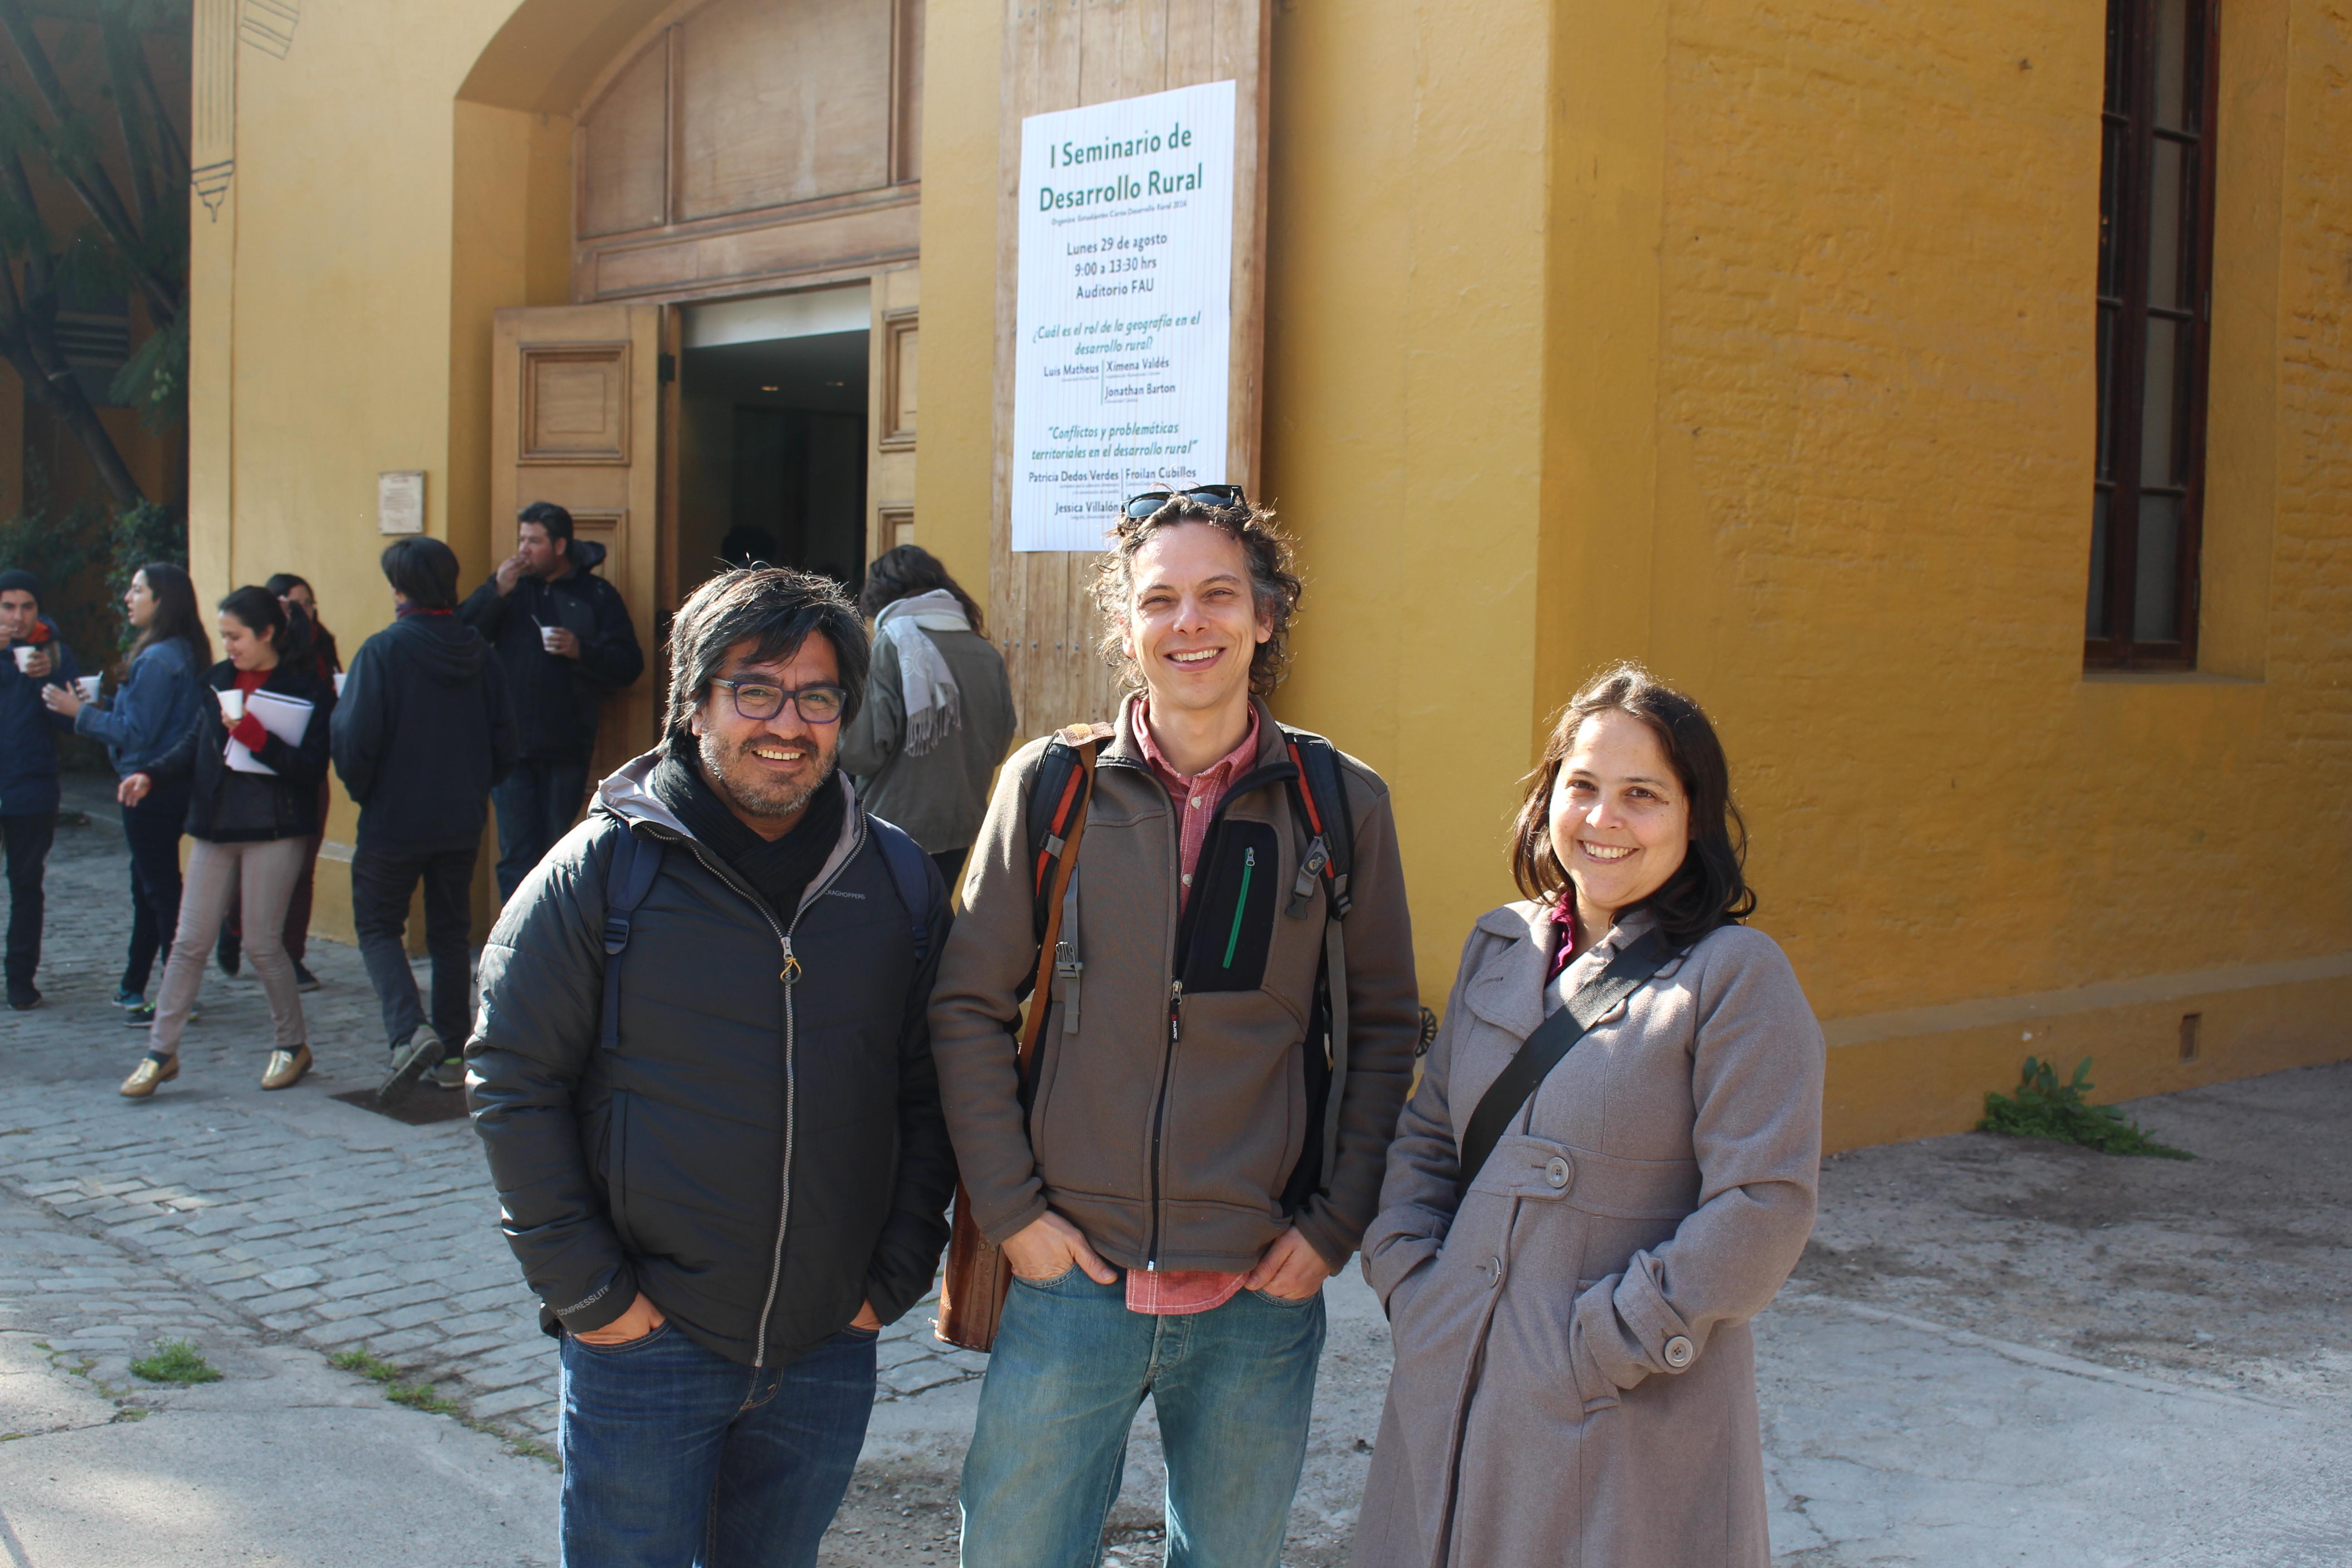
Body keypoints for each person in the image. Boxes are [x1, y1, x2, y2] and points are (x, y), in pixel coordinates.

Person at [928, 490, 1422, 1568]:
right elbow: (965, 1008)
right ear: (1124, 625)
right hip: (1071, 1279)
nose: (1187, 622)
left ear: (1264, 616)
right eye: (1159, 598)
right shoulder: (1047, 789)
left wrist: (1333, 1223)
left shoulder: (1341, 804)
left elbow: (1383, 1027)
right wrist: (1013, 1214)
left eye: (1216, 594)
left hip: (1258, 1285)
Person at [467, 565, 956, 1568]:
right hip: (647, 1347)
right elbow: (513, 1082)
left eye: (817, 696)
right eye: (755, 690)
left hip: (827, 1343)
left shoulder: (898, 878)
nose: (788, 722)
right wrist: (595, 1301)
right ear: (694, 705)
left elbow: (933, 1086)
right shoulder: (601, 873)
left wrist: (891, 1276)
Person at [1352, 664, 1825, 1568]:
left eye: (1642, 794)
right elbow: (1426, 1139)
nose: (1604, 820)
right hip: (1453, 1377)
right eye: (1584, 787)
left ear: (1695, 815)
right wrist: (1415, 1286)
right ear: (1549, 801)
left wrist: (1602, 1344)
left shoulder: (1734, 977)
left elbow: (1765, 1205)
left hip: (1619, 1408)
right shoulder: (1499, 945)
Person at [115, 586, 338, 1098]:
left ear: (267, 633)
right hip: (216, 825)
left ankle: (292, 1044)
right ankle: (159, 1053)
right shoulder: (217, 680)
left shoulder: (306, 688)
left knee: (262, 944)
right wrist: (151, 773)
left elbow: (308, 770)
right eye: (223, 637)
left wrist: (256, 735)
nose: (229, 646)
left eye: (236, 636)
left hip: (274, 828)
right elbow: (195, 744)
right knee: (189, 941)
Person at [332, 538, 516, 1092]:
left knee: (378, 924)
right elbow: (507, 743)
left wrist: (368, 792)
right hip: (460, 818)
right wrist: (473, 786)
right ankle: (455, 1051)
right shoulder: (481, 652)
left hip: (393, 817)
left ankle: (409, 1033)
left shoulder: (382, 652)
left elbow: (353, 740)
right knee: (449, 930)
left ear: (401, 590)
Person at [44, 564, 208, 1023]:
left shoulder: (158, 659)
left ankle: (179, 992)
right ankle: (133, 985)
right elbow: (151, 720)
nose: (128, 598)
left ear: (163, 601)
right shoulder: (179, 651)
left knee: (158, 889)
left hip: (148, 786)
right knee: (148, 885)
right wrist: (102, 705)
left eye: (138, 590)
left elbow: (136, 734)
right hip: (168, 782)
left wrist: (79, 712)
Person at [459, 501, 645, 900]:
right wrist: (495, 592)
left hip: (566, 743)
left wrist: (582, 651)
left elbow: (630, 665)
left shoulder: (595, 594)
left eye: (534, 541)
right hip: (510, 746)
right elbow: (460, 641)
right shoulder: (508, 589)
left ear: (560, 545)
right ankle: (513, 951)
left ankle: (555, 950)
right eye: (521, 539)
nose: (523, 549)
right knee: (515, 854)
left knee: (558, 853)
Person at [839, 544, 1018, 891]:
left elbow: (862, 752)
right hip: (961, 824)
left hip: (890, 828)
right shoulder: (986, 652)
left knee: (888, 934)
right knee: (933, 929)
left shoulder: (891, 645)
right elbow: (997, 748)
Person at [217, 571, 343, 992]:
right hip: (249, 777)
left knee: (303, 864)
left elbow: (327, 699)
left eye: (306, 603)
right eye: (288, 603)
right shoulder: (238, 665)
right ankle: (234, 926)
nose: (299, 610)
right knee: (243, 863)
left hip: (300, 772)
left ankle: (293, 955)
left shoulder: (317, 645)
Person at [0, 569, 81, 1010]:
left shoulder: (54, 652)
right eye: (8, 606)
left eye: (27, 607)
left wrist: (47, 681)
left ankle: (20, 978)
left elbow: (71, 722)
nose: (17, 617)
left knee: (27, 884)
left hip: (31, 785)